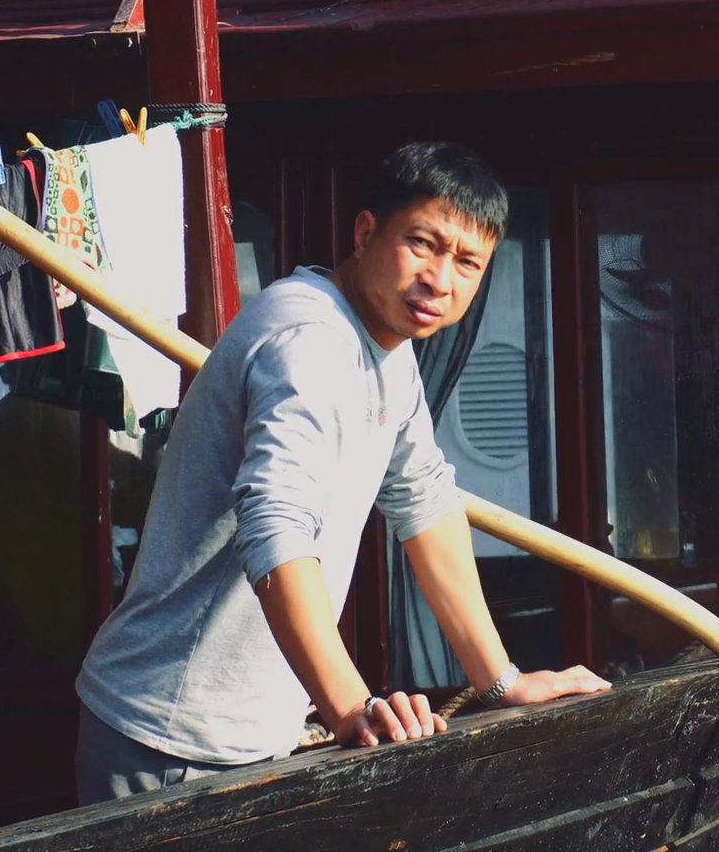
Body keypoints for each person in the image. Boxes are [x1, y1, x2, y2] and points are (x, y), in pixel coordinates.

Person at [74, 142, 610, 803]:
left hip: (243, 735)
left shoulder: (387, 346)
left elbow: (425, 501)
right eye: (422, 244)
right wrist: (353, 707)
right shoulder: (310, 341)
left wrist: (502, 682)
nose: (440, 280)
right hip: (169, 737)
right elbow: (275, 527)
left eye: (467, 262)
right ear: (365, 233)